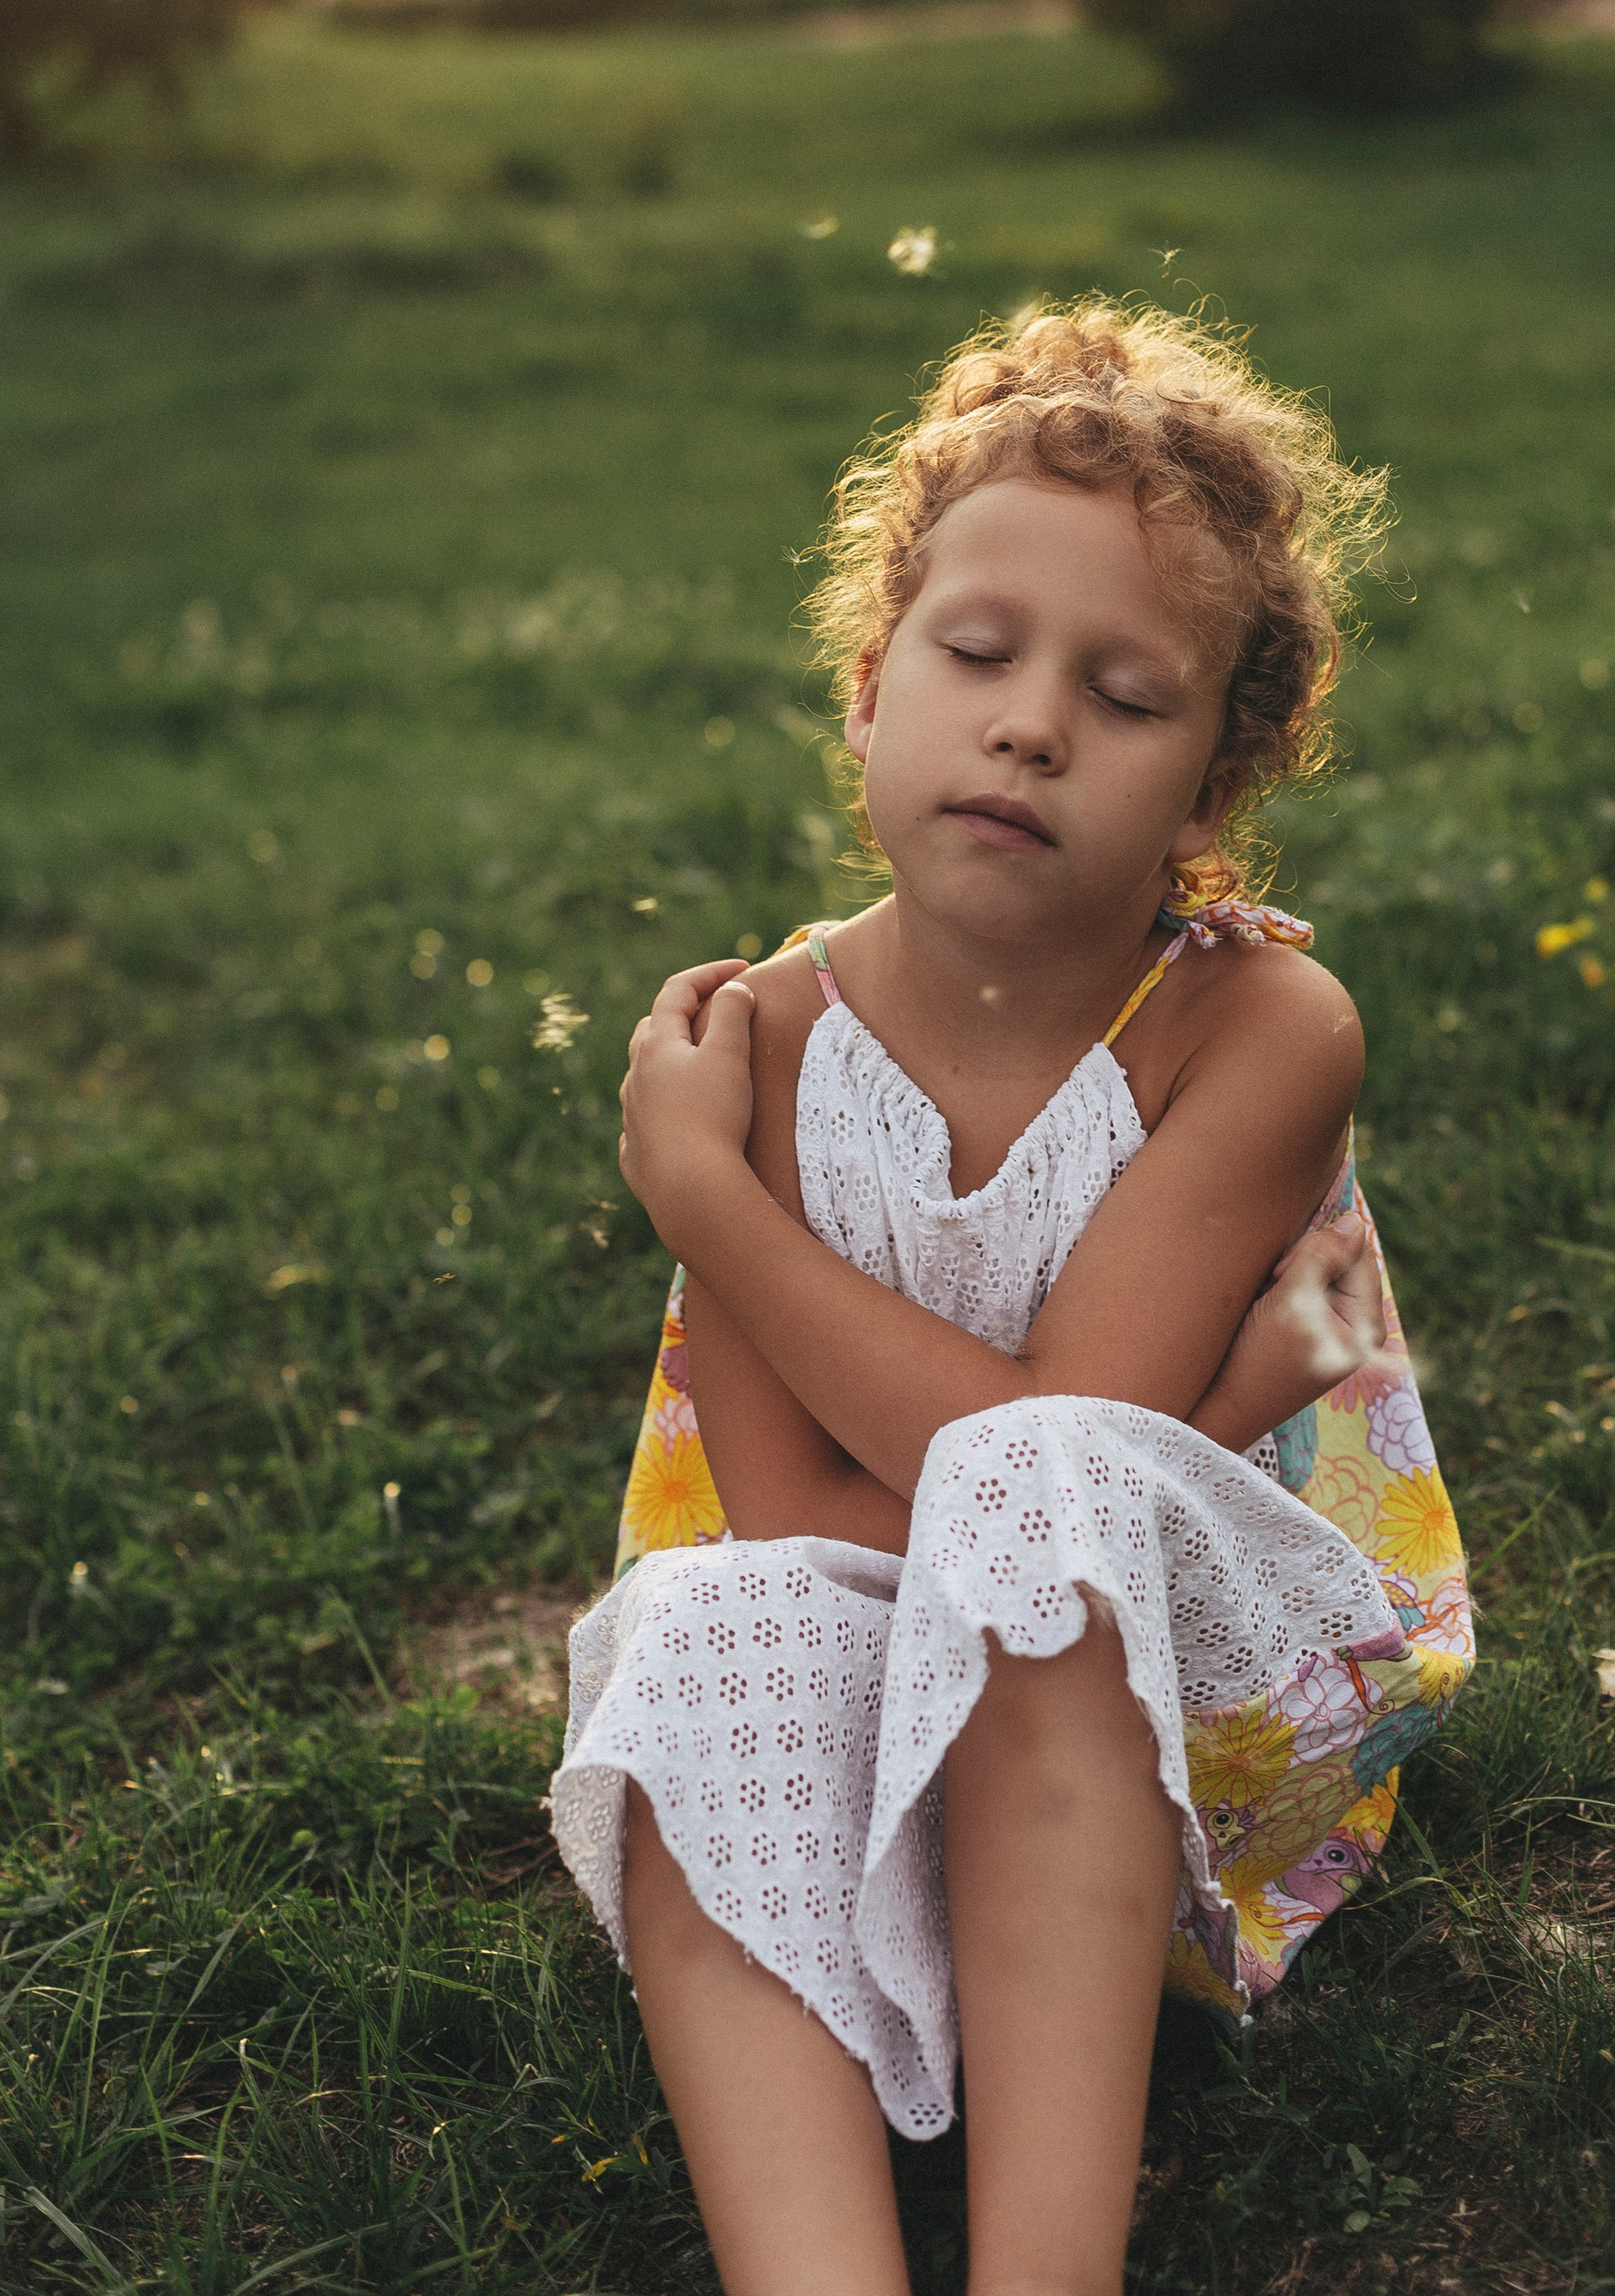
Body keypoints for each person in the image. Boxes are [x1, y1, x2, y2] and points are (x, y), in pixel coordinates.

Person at [549, 302, 1471, 2296]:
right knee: (698, 1621)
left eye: (1124, 696)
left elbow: (1048, 1485)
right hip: (881, 1680)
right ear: (871, 690)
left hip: (1172, 1728)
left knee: (1046, 1485)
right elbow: (792, 1521)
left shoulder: (1254, 1024)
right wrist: (1202, 1409)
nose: (1031, 721)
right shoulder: (769, 1038)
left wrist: (703, 1198)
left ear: (1209, 780)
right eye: (975, 657)